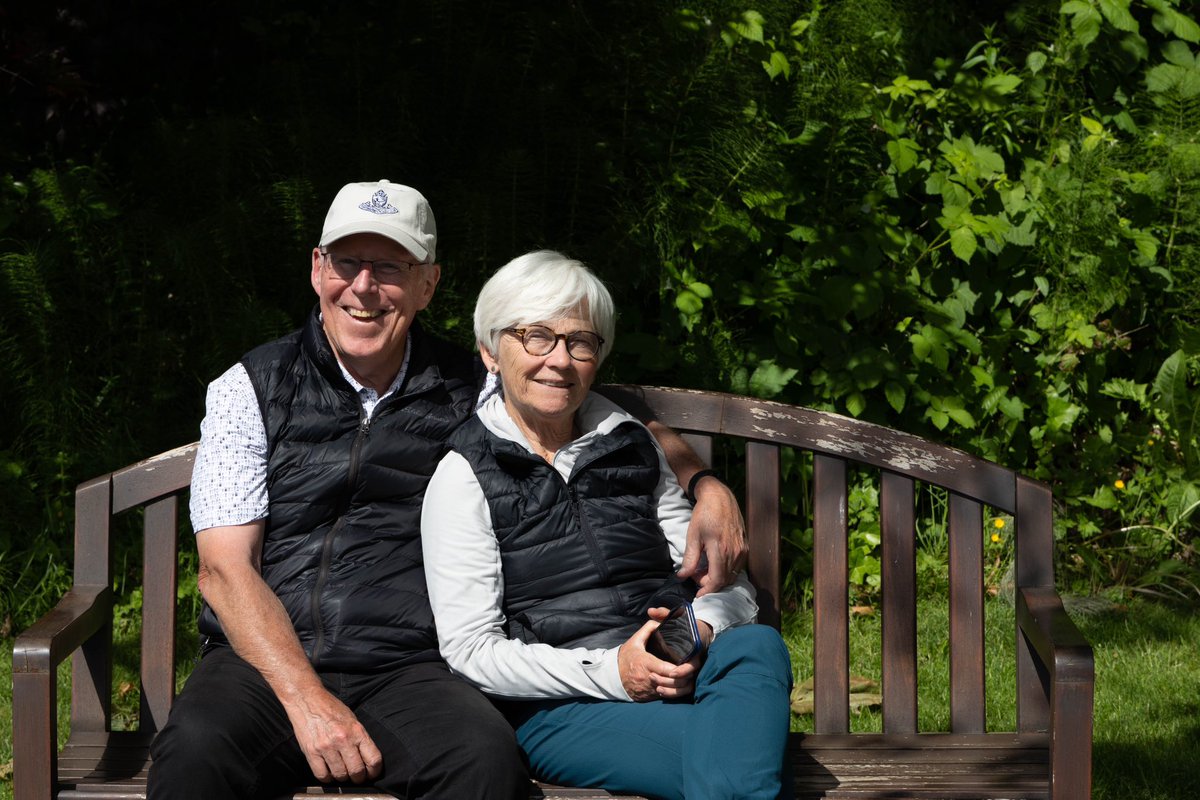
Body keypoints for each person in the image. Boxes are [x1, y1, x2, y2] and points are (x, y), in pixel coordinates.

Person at [147, 181, 747, 799]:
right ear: (317, 268)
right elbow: (225, 572)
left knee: (484, 765)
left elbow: (584, 405)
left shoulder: (470, 387)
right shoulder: (249, 389)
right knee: (195, 756)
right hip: (263, 668)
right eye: (347, 262)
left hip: (408, 669)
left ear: (428, 284)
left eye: (389, 268)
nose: (363, 287)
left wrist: (705, 485)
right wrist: (306, 701)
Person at [421, 250, 794, 800]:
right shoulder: (464, 475)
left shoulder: (630, 444)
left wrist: (702, 629)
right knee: (735, 760)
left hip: (688, 668)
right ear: (490, 353)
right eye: (536, 337)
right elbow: (471, 650)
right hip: (566, 705)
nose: (560, 361)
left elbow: (725, 582)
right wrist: (615, 672)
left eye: (581, 342)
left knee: (758, 646)